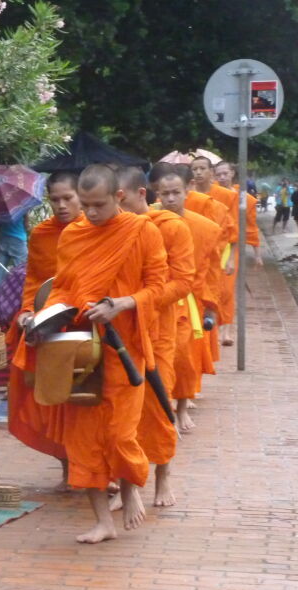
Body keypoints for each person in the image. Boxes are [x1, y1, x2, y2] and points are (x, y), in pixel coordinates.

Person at [35, 164, 165, 543]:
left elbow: (158, 287)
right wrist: (44, 316)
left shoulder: (142, 231)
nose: (90, 213)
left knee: (120, 432)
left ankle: (129, 489)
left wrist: (121, 304)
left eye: (98, 205)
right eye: (86, 204)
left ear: (118, 198)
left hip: (124, 347)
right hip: (79, 346)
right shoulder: (73, 235)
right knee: (83, 438)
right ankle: (101, 522)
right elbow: (61, 288)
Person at [116, 166, 193, 509]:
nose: (117, 207)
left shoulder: (171, 227)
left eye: (122, 200)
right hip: (118, 331)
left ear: (140, 195)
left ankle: (163, 476)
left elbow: (183, 281)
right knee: (118, 411)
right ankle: (125, 484)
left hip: (158, 329)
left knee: (158, 408)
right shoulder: (110, 230)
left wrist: (141, 300)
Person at [9, 171, 81, 486]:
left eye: (68, 198)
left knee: (88, 398)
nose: (62, 205)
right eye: (55, 199)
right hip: (51, 322)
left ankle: (96, 468)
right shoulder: (42, 233)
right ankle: (68, 467)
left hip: (89, 320)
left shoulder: (100, 230)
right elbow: (35, 282)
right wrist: (26, 312)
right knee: (53, 398)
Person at [150, 165, 222, 434]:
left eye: (175, 193)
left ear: (187, 190)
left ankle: (181, 409)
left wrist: (211, 307)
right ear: (157, 193)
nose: (170, 199)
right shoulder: (146, 220)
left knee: (184, 357)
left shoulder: (205, 228)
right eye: (164, 193)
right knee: (157, 358)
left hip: (189, 298)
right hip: (155, 296)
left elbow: (211, 270)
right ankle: (162, 410)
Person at [192, 156, 240, 347]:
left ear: (210, 172)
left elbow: (234, 229)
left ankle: (225, 328)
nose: (198, 172)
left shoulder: (227, 196)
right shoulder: (188, 196)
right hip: (196, 254)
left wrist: (231, 259)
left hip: (222, 251)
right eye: (195, 169)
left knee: (224, 291)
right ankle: (205, 335)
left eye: (202, 168)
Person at [0, 212, 29, 290]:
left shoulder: (1, 207)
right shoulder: (21, 206)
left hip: (3, 239)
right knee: (21, 271)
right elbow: (26, 225)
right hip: (18, 240)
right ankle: (20, 296)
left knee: (0, 270)